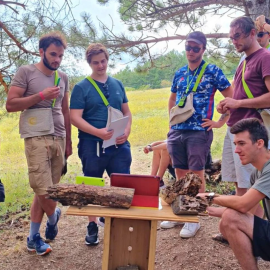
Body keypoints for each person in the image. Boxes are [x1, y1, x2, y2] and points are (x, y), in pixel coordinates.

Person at [6, 32, 72, 255]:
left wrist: (69, 142)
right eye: (53, 54)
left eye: (61, 56)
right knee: (41, 187)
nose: (57, 60)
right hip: (36, 137)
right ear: (41, 51)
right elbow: (11, 104)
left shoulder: (62, 76)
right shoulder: (26, 72)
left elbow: (65, 110)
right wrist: (41, 95)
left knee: (46, 190)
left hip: (59, 137)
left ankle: (34, 237)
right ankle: (54, 217)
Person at [166, 31, 233, 238]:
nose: (191, 51)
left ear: (203, 49)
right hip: (177, 131)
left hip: (199, 132)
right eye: (188, 47)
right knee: (179, 174)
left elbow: (231, 98)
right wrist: (170, 125)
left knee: (196, 177)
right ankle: (181, 211)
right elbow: (172, 99)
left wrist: (219, 123)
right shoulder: (180, 73)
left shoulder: (212, 71)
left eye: (196, 48)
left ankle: (193, 218)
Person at [70, 43, 132, 246]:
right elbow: (74, 117)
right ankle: (92, 225)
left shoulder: (117, 84)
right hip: (92, 144)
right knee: (92, 184)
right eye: (95, 62)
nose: (100, 65)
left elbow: (127, 113)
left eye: (103, 61)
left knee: (122, 183)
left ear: (107, 59)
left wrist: (126, 132)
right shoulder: (81, 87)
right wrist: (98, 132)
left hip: (119, 144)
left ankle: (118, 222)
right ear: (89, 63)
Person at [198, 118, 270, 270]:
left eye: (242, 144)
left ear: (259, 143)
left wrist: (211, 197)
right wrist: (206, 209)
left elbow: (242, 205)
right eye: (235, 144)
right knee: (227, 223)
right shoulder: (256, 173)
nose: (236, 150)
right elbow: (247, 209)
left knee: (230, 217)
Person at [218, 16, 270, 199]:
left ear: (253, 33)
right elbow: (241, 95)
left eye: (238, 36)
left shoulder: (264, 57)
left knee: (251, 186)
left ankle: (252, 228)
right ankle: (240, 227)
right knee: (239, 185)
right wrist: (227, 106)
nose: (234, 41)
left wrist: (238, 103)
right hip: (235, 127)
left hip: (250, 131)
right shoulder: (245, 60)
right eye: (231, 37)